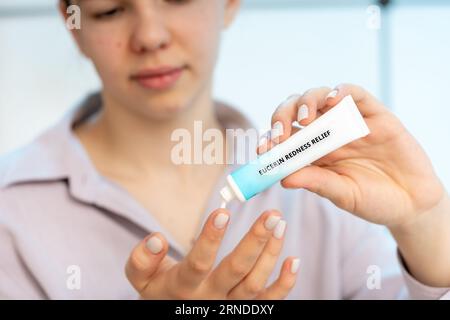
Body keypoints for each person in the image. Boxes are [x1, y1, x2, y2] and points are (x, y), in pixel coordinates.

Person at [0, 0, 449, 299]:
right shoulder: (11, 215)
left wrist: (426, 222)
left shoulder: (319, 185)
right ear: (72, 23)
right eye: (111, 9)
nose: (150, 37)